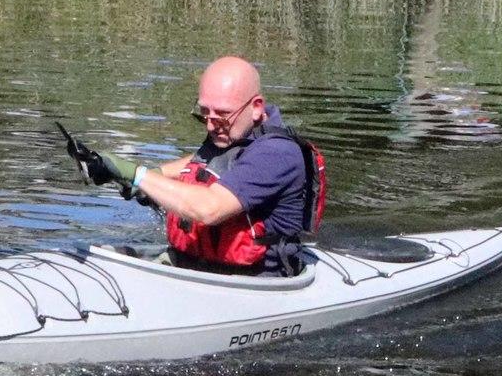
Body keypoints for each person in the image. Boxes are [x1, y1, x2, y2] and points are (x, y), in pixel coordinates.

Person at [67, 56, 326, 276]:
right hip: (194, 267)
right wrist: (125, 174)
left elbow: (209, 208)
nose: (211, 125)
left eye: (222, 115)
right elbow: (198, 165)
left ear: (256, 107)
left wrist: (135, 174)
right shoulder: (232, 134)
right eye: (205, 113)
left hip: (254, 282)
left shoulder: (277, 154)